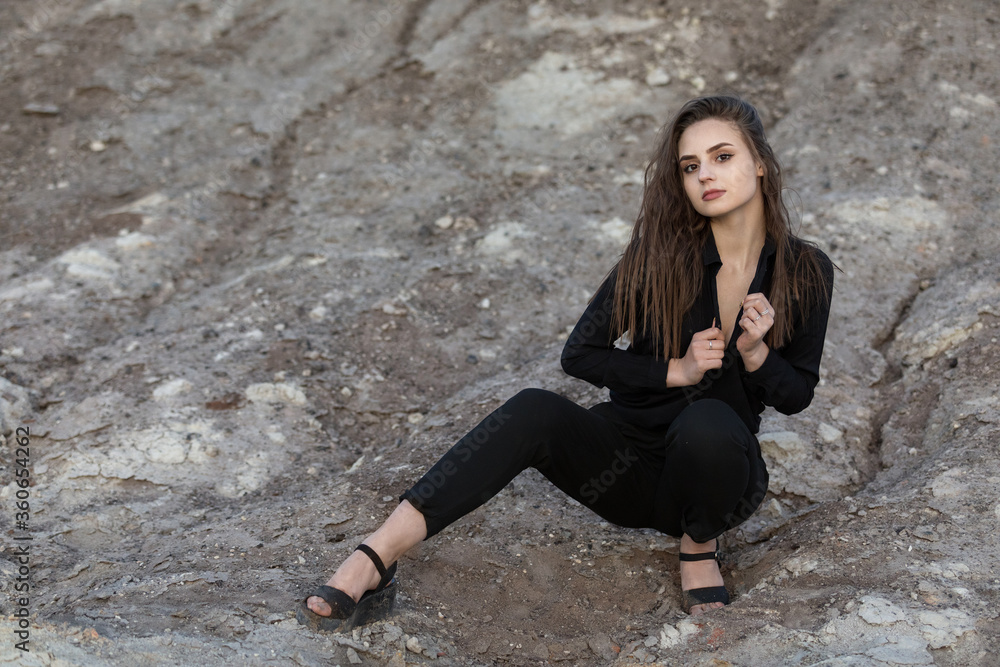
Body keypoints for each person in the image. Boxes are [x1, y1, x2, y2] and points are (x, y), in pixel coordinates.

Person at [296, 95, 835, 630]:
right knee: (533, 408)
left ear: (760, 163)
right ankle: (373, 559)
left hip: (714, 482)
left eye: (722, 157)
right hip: (624, 472)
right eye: (690, 166)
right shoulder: (657, 257)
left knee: (709, 422)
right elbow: (579, 354)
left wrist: (757, 354)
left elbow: (797, 395)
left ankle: (698, 548)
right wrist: (677, 372)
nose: (704, 176)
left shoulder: (806, 270)